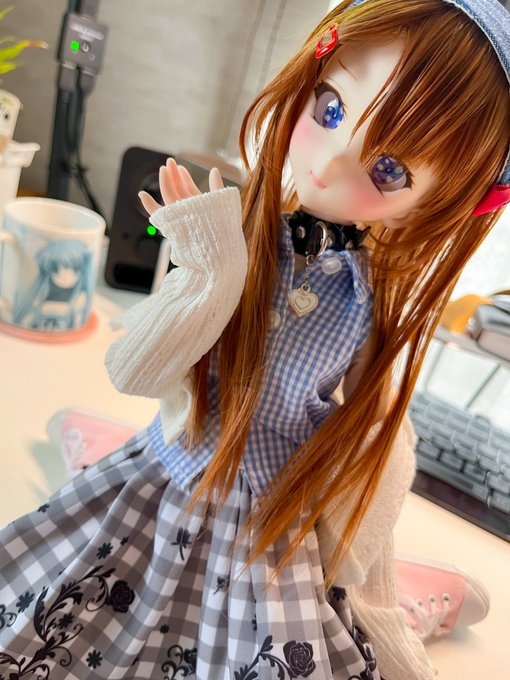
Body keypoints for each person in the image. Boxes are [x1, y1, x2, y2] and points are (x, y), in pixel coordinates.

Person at [0, 0, 508, 678]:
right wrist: (208, 276)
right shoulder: (237, 235)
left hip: (273, 521)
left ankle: (416, 595)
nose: (331, 160)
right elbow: (132, 370)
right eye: (331, 108)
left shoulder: (367, 298)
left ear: (439, 203)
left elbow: (374, 451)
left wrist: (376, 604)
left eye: (389, 170)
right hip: (165, 477)